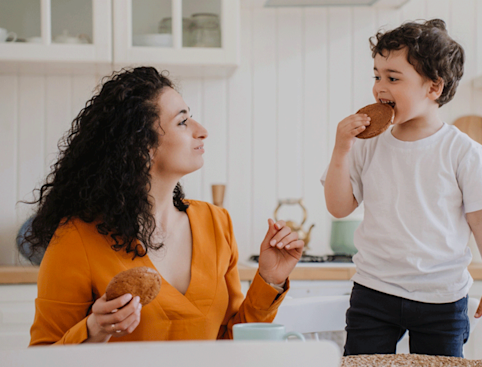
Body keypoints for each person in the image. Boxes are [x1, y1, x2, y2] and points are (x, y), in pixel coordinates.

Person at [23, 67, 304, 345]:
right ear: (140, 144)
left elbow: (231, 344)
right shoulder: (76, 238)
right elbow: (43, 357)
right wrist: (94, 330)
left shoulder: (217, 223)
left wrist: (270, 280)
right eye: (183, 122)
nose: (202, 131)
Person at [322, 19, 482, 358]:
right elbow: (339, 207)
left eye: (393, 78)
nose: (380, 86)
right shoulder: (367, 145)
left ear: (433, 88)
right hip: (374, 290)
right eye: (377, 75)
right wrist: (341, 148)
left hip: (442, 296)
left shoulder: (464, 152)